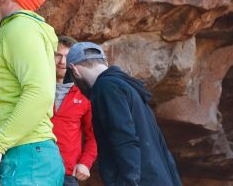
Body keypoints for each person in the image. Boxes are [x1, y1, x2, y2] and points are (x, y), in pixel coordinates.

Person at [0, 0, 65, 186]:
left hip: (24, 158)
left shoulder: (21, 28)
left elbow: (40, 93)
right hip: (21, 158)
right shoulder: (15, 29)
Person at [64, 42, 182, 185]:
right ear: (105, 62)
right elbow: (161, 146)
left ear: (74, 70)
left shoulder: (106, 87)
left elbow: (124, 139)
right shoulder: (128, 87)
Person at [52, 36, 97, 185]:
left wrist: (85, 163)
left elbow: (93, 135)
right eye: (58, 55)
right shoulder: (35, 88)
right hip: (35, 169)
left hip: (67, 173)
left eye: (67, 57)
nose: (62, 62)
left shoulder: (85, 93)